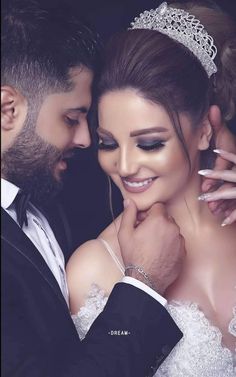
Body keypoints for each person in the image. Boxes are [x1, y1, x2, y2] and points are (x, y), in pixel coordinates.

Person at [1, 1, 186, 376]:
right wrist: (143, 284)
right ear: (8, 110)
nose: (86, 139)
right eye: (71, 118)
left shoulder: (49, 189)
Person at [66, 1, 236, 376]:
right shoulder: (94, 269)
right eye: (108, 143)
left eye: (149, 143)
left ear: (205, 129)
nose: (124, 166)